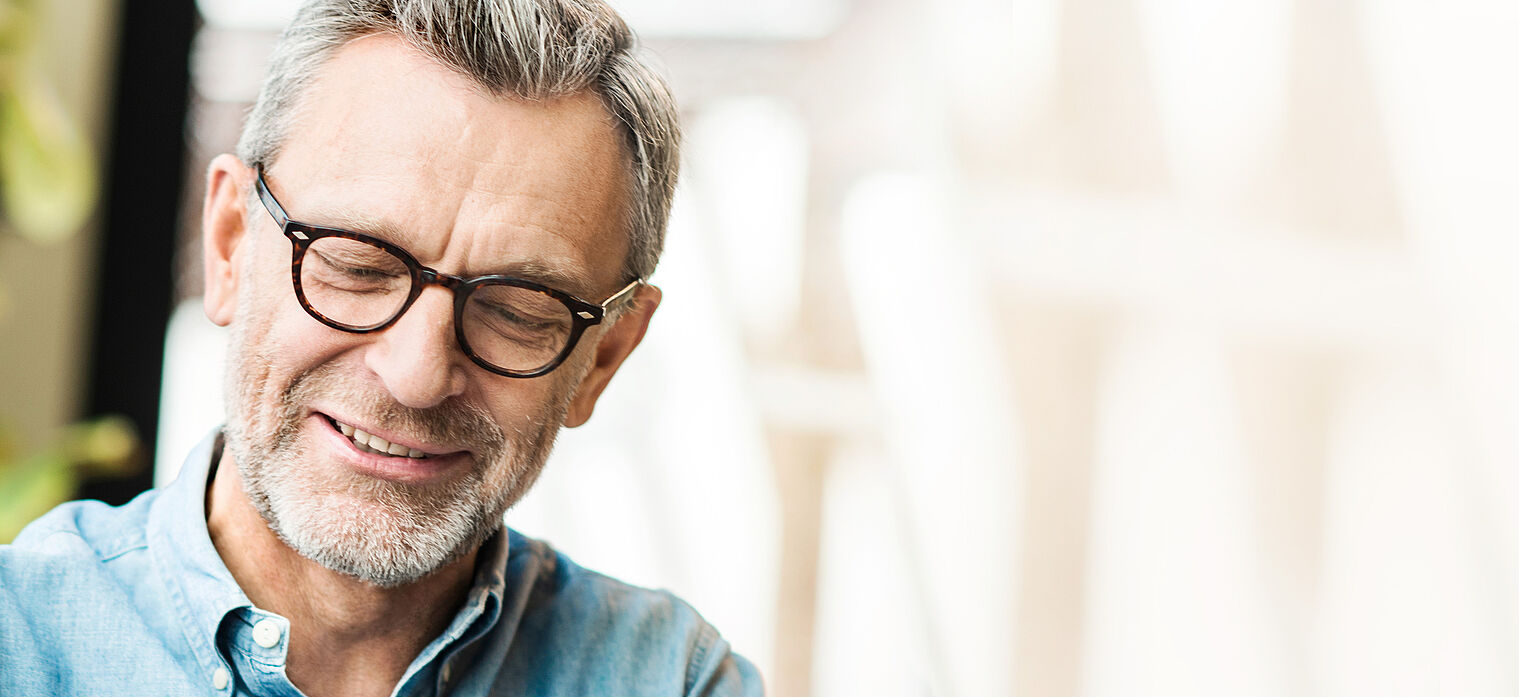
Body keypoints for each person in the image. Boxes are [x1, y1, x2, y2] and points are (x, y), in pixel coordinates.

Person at [0, 1, 763, 695]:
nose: (416, 375)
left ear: (604, 357)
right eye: (356, 264)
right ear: (230, 245)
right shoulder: (18, 638)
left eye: (516, 309)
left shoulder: (671, 678)